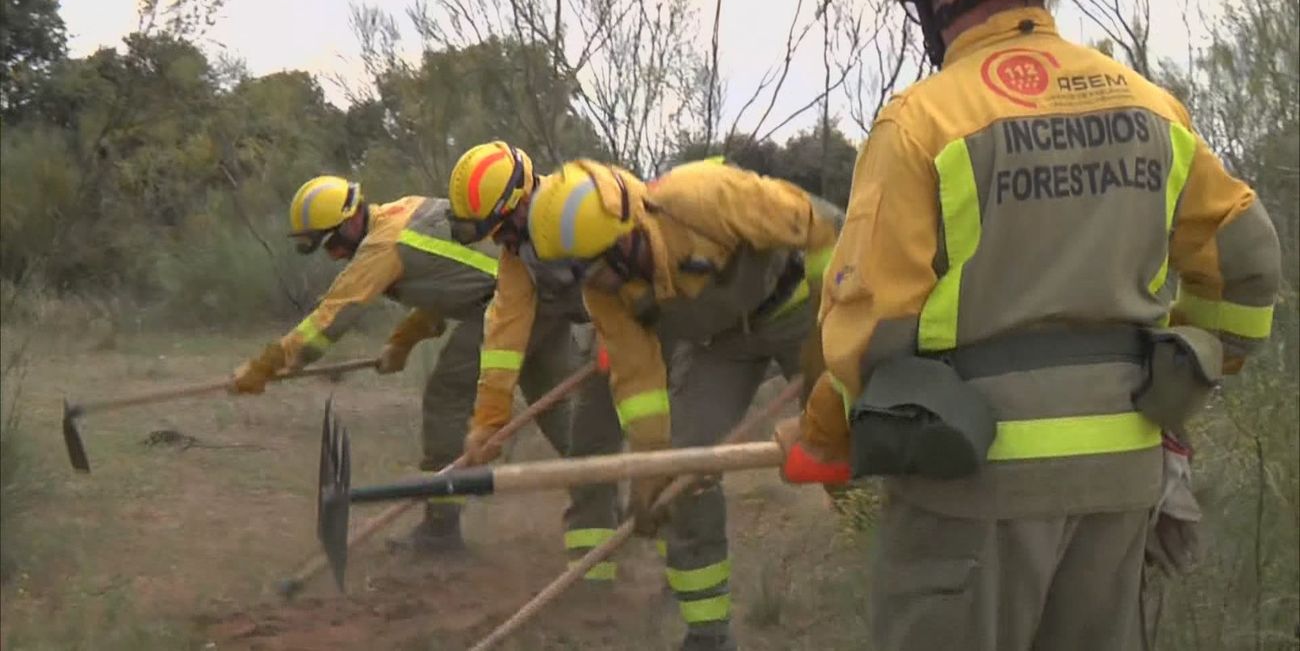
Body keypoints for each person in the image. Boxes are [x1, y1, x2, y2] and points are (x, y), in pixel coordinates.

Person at [773, 0, 1283, 651]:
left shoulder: (923, 123)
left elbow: (875, 336)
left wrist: (824, 433)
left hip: (972, 484)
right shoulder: (1150, 109)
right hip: (1120, 477)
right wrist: (1186, 377)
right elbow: (1252, 261)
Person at [526, 157, 841, 651]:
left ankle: (869, 527)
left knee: (849, 434)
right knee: (687, 469)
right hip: (718, 347)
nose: (594, 284)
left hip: (798, 310)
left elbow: (825, 228)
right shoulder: (602, 291)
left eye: (594, 267)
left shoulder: (704, 196)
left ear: (625, 235)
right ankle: (708, 634)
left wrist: (832, 330)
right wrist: (652, 465)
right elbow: (638, 378)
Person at [229, 174, 573, 555]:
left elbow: (330, 319)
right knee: (562, 409)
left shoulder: (383, 244)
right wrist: (404, 340)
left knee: (447, 396)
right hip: (548, 297)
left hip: (517, 302)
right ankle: (606, 502)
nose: (335, 255)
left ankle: (441, 529)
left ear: (350, 221)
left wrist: (265, 366)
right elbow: (453, 281)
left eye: (333, 243)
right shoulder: (403, 211)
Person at [445, 140, 625, 586]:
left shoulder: (588, 203)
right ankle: (595, 583)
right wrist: (488, 421)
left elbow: (635, 269)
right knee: (588, 451)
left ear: (523, 199)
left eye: (501, 227)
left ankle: (677, 561)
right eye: (491, 232)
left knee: (674, 442)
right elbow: (505, 334)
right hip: (601, 330)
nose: (499, 240)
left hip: (650, 321)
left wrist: (621, 332)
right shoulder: (517, 254)